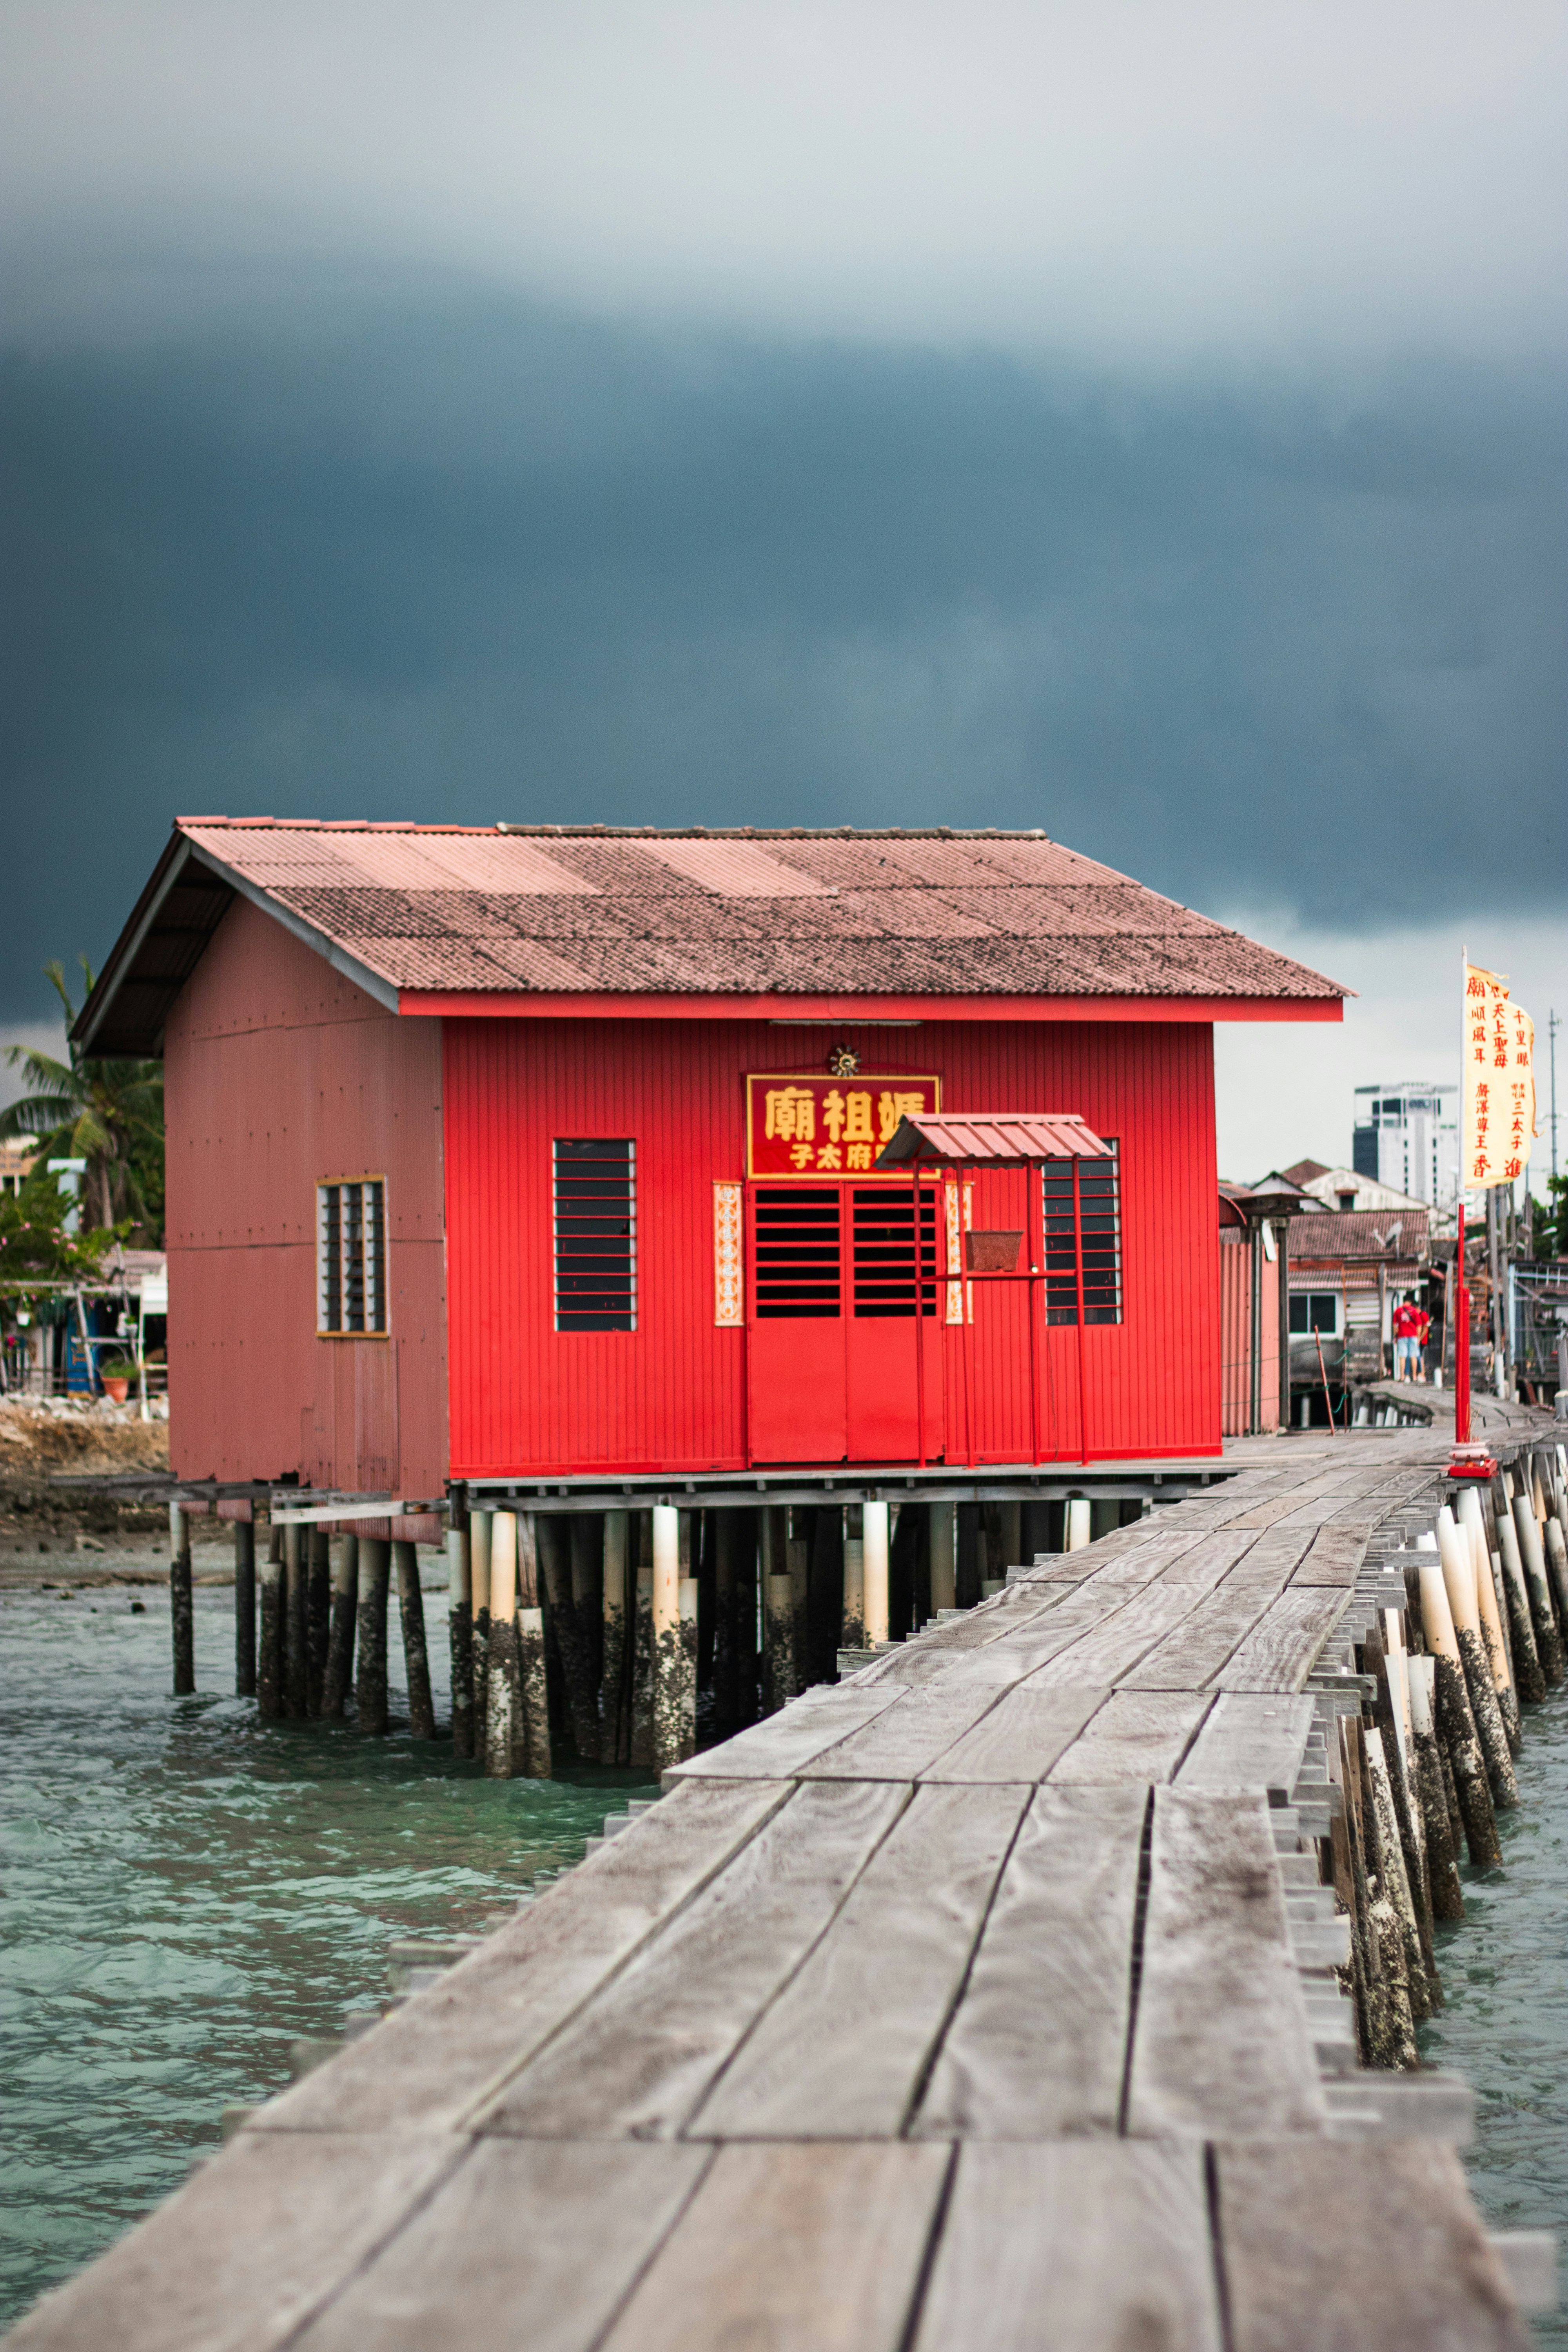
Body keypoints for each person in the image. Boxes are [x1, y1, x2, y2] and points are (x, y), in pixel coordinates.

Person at [1391, 1297, 1422, 1383]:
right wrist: (1419, 1337)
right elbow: (1419, 1325)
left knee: (1402, 1357)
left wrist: (1395, 1336)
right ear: (1410, 1302)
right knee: (1413, 1356)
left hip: (1402, 1336)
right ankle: (1415, 1377)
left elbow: (1395, 1325)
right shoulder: (1414, 1311)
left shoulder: (1398, 1311)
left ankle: (1402, 1377)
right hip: (1413, 1336)